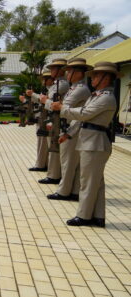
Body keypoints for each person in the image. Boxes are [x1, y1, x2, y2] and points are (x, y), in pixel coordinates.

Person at [51, 61, 119, 227]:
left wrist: (62, 108)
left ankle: (84, 216)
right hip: (90, 141)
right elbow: (83, 121)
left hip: (95, 143)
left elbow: (84, 114)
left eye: (96, 75)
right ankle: (98, 216)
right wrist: (69, 134)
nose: (93, 78)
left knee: (88, 182)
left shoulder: (106, 98)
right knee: (96, 182)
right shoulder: (97, 95)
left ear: (106, 78)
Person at [46, 58, 91, 201]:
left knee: (68, 162)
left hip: (73, 128)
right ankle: (74, 191)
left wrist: (47, 102)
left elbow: (62, 107)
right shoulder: (74, 87)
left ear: (79, 73)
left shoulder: (81, 89)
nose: (68, 74)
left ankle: (64, 191)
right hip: (70, 126)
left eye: (70, 71)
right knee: (70, 162)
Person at [27, 58, 69, 184]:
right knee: (50, 147)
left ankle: (54, 175)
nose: (51, 71)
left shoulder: (62, 84)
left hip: (56, 119)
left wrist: (34, 95)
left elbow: (47, 100)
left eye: (54, 69)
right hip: (50, 118)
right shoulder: (57, 84)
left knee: (54, 148)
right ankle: (51, 172)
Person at [21, 69, 53, 172]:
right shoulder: (46, 89)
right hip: (41, 117)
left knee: (44, 144)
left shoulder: (51, 89)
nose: (43, 80)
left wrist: (33, 94)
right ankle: (41, 163)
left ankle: (42, 165)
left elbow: (45, 101)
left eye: (45, 78)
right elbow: (38, 103)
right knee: (41, 144)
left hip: (47, 119)